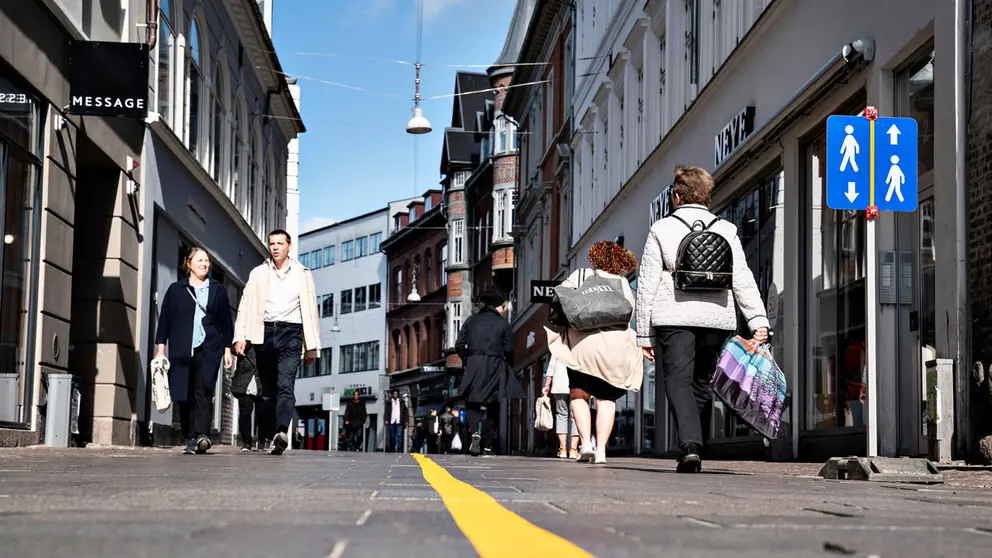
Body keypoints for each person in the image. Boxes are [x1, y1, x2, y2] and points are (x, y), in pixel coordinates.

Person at [636, 166, 769, 474]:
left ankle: (690, 445)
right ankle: (695, 444)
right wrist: (757, 319)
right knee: (702, 383)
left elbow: (647, 285)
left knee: (678, 382)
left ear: (676, 197)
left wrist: (644, 334)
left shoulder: (662, 229)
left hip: (674, 317)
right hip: (717, 319)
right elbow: (742, 278)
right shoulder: (726, 230)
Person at [547, 241, 643, 465]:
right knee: (606, 398)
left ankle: (586, 445)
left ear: (594, 257)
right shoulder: (621, 282)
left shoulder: (581, 276)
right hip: (615, 347)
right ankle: (601, 451)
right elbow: (630, 312)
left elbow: (561, 300)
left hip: (584, 344)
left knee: (578, 395)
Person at [233, 230, 321, 456]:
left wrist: (312, 348)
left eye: (279, 243)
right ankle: (270, 433)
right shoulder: (258, 273)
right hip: (265, 332)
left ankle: (282, 431)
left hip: (292, 332)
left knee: (286, 384)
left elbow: (311, 311)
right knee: (267, 390)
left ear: (289, 246)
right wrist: (240, 335)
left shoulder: (303, 274)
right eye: (272, 243)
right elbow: (245, 305)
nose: (275, 247)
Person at [154, 247, 234, 455]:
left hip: (209, 347)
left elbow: (226, 321)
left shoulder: (218, 289)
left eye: (206, 260)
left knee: (204, 390)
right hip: (182, 348)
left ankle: (202, 435)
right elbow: (165, 320)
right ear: (188, 263)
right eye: (199, 260)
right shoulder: (176, 290)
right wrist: (160, 349)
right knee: (184, 392)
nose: (204, 264)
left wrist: (227, 349)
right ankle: (189, 436)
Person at [456, 289, 526, 457]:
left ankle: (474, 433)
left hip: (474, 363)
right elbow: (510, 347)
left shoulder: (471, 321)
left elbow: (459, 344)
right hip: (495, 365)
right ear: (498, 306)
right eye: (503, 306)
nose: (503, 309)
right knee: (493, 404)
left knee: (472, 402)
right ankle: (488, 445)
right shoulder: (503, 323)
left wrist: (468, 360)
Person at [541, 354, 579, 459]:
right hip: (577, 385)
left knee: (561, 415)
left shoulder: (558, 344)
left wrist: (547, 384)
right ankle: (573, 449)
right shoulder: (580, 342)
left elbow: (551, 368)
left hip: (559, 384)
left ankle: (562, 449)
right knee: (576, 416)